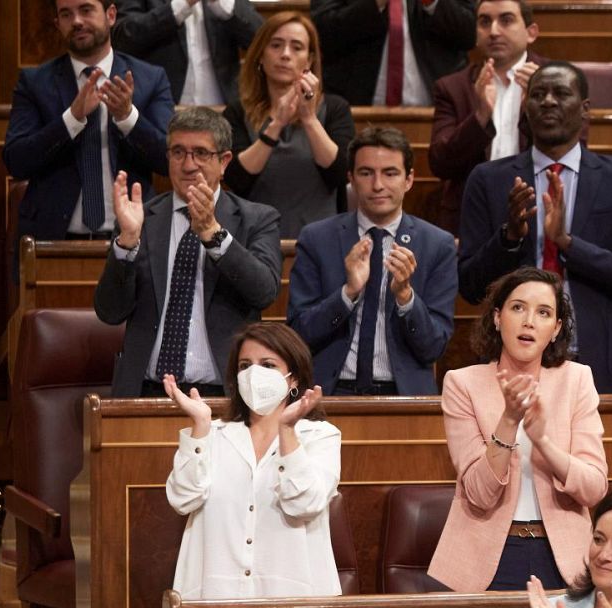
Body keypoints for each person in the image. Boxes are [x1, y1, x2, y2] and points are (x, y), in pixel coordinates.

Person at [458, 62, 612, 393]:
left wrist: (567, 243)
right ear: (526, 106)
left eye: (561, 93)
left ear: (585, 109)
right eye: (537, 94)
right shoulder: (488, 180)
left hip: (596, 359)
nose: (548, 101)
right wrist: (509, 238)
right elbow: (470, 286)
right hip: (509, 361)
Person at [427, 268, 608, 593]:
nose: (529, 321)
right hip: (486, 558)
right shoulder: (463, 384)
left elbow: (594, 489)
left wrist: (544, 443)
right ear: (497, 318)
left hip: (564, 559)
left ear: (555, 329)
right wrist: (509, 422)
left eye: (543, 313)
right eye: (518, 308)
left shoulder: (577, 380)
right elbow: (479, 494)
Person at [94, 106, 283, 398]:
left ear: (224, 161)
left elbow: (264, 292)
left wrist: (212, 232)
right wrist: (126, 243)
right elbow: (109, 312)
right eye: (178, 152)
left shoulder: (257, 219)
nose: (188, 164)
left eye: (201, 153)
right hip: (146, 392)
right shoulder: (139, 219)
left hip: (224, 394)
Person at [164, 321, 339, 600]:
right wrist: (199, 427)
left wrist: (287, 431)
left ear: (293, 378)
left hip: (296, 601)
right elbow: (182, 498)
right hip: (214, 599)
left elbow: (304, 503)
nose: (254, 374)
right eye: (245, 366)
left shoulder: (320, 436)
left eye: (268, 365)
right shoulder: (214, 434)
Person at [287, 126, 458, 396]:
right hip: (329, 393)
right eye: (366, 173)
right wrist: (347, 293)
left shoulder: (437, 245)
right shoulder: (317, 239)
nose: (378, 185)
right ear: (351, 179)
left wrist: (406, 298)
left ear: (409, 179)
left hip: (404, 398)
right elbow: (298, 335)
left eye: (390, 173)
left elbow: (434, 346)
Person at [6, 0, 175, 243]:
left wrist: (127, 117)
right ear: (57, 24)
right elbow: (16, 161)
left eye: (86, 10)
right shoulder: (34, 83)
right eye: (66, 15)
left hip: (133, 240)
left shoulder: (149, 79)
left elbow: (167, 158)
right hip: (55, 241)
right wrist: (71, 120)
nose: (76, 21)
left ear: (111, 15)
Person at [221, 11, 354, 239]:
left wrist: (309, 119)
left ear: (310, 60)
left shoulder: (334, 108)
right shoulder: (236, 112)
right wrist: (276, 124)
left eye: (296, 47)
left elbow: (340, 174)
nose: (285, 54)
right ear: (260, 55)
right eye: (276, 45)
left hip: (322, 240)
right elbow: (236, 179)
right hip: (254, 240)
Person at [429, 0, 545, 236]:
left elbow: (574, 150)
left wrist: (537, 108)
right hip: (471, 217)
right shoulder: (453, 87)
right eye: (484, 22)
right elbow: (440, 163)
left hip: (538, 211)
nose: (493, 31)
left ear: (531, 32)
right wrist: (480, 116)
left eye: (506, 20)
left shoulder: (557, 81)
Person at [309, 0, 474, 106]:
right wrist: (375, 4)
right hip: (355, 108)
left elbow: (471, 32)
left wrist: (431, 3)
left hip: (437, 112)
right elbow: (321, 33)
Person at [112, 0, 264, 106]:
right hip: (161, 111)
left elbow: (263, 41)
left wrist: (224, 4)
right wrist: (182, 5)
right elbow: (124, 36)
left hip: (224, 111)